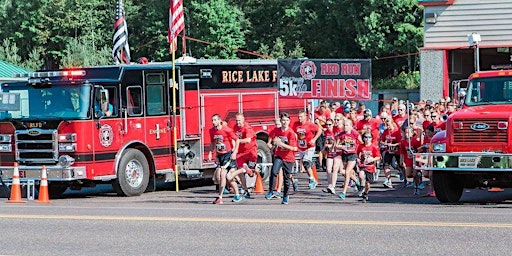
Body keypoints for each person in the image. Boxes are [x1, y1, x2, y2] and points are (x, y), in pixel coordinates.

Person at [265, 112, 298, 204]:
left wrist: (281, 144)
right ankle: (271, 191)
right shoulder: (277, 130)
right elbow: (271, 137)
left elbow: (293, 148)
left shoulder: (290, 133)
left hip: (288, 157)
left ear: (289, 121)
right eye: (283, 120)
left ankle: (285, 196)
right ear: (281, 121)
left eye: (287, 120)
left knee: (286, 178)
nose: (285, 122)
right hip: (278, 155)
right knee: (274, 171)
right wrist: (271, 144)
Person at [209, 114, 240, 204]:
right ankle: (237, 195)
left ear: (219, 120)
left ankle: (220, 197)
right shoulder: (212, 131)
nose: (213, 122)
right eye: (212, 120)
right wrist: (211, 153)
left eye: (215, 120)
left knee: (224, 175)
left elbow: (237, 139)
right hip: (220, 155)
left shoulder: (227, 130)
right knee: (226, 177)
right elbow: (212, 142)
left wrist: (235, 152)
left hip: (228, 155)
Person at [227, 113, 257, 199]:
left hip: (251, 152)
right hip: (241, 152)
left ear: (243, 119)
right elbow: (233, 137)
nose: (238, 122)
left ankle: (251, 169)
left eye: (239, 120)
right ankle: (246, 190)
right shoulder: (235, 127)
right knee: (240, 171)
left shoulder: (247, 128)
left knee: (251, 173)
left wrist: (238, 141)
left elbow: (248, 140)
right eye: (236, 120)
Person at [292, 110, 322, 190]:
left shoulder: (310, 125)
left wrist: (314, 139)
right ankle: (312, 179)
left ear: (305, 117)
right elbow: (293, 132)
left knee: (305, 161)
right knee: (306, 165)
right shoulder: (296, 124)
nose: (299, 118)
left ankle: (312, 179)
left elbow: (319, 130)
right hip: (301, 147)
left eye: (301, 117)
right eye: (298, 117)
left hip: (310, 147)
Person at [337, 119, 362, 200]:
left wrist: (360, 152)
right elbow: (336, 145)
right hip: (345, 155)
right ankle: (357, 181)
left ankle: (343, 192)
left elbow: (361, 142)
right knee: (348, 173)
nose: (345, 127)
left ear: (351, 126)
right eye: (344, 125)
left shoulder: (354, 133)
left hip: (353, 155)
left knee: (347, 172)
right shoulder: (341, 135)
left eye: (347, 125)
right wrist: (341, 147)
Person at [357, 132, 381, 203]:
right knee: (361, 175)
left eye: (369, 137)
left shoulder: (374, 147)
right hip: (362, 165)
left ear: (371, 138)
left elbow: (378, 157)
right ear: (363, 138)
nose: (367, 139)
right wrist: (358, 159)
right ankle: (361, 187)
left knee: (368, 183)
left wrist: (372, 159)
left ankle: (365, 194)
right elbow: (357, 153)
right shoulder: (361, 146)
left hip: (370, 167)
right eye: (366, 137)